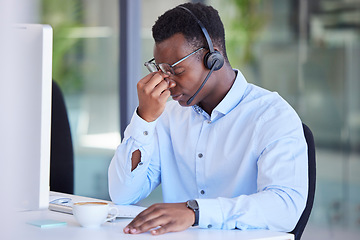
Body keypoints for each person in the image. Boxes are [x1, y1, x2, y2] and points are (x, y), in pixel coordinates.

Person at [108, 2, 308, 236]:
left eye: (176, 70)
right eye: (162, 71)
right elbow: (123, 193)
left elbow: (285, 208)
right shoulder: (168, 117)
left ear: (213, 57)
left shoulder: (271, 116)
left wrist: (197, 212)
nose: (168, 82)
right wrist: (144, 119)